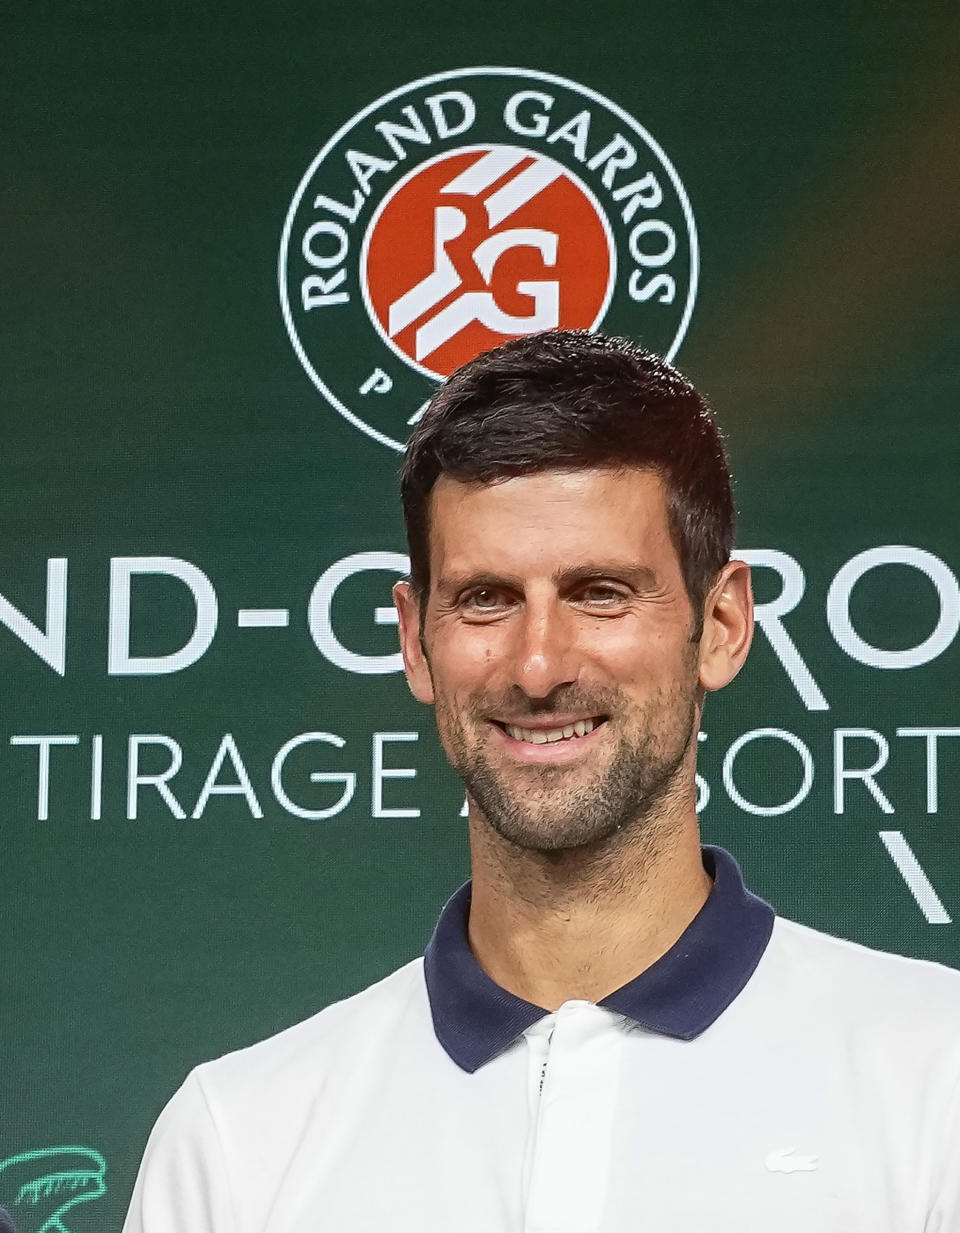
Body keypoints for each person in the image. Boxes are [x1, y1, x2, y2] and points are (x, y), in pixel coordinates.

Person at [123, 330, 960, 1232]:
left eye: (600, 591)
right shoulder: (240, 1141)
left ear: (720, 624)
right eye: (485, 598)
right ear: (415, 639)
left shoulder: (935, 1080)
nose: (536, 665)